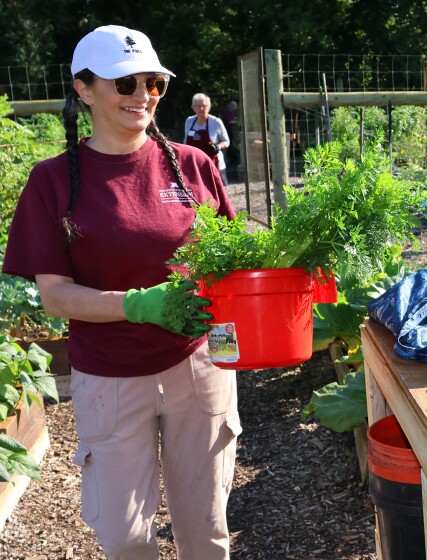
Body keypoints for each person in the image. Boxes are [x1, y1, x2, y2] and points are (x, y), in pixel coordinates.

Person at [2, 25, 240, 559]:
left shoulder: (194, 166)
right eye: (125, 84)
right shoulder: (52, 181)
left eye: (153, 84)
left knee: (206, 532)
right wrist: (137, 303)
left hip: (198, 368)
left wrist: (231, 347)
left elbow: (227, 271)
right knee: (126, 538)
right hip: (109, 378)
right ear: (83, 90)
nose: (144, 96)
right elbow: (56, 297)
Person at [184, 93, 230, 186]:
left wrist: (218, 146)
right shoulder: (189, 121)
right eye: (198, 106)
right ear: (193, 107)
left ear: (209, 107)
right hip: (194, 164)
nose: (201, 109)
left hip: (214, 164)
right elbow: (185, 142)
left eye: (204, 106)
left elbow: (226, 141)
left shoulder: (216, 122)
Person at [220, 100, 240, 181]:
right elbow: (230, 121)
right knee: (230, 146)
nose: (234, 109)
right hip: (227, 131)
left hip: (233, 131)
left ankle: (234, 159)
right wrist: (237, 122)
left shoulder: (234, 113)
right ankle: (230, 160)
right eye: (234, 107)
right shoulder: (226, 112)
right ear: (230, 106)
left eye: (235, 108)